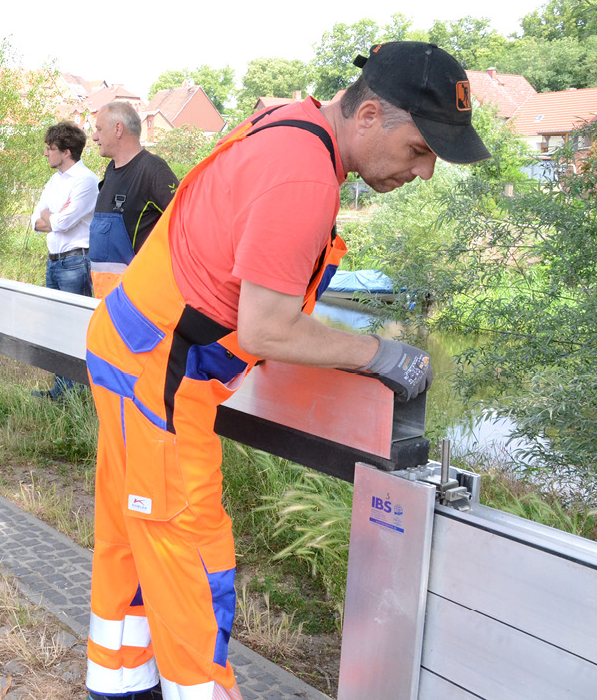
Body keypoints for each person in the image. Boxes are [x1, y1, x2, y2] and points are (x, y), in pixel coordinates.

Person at [83, 42, 489, 700]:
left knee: (135, 540)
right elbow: (265, 327)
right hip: (160, 374)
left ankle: (124, 687)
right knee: (191, 556)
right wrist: (380, 354)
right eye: (420, 150)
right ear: (369, 117)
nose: (424, 173)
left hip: (132, 350)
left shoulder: (287, 123)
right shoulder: (303, 176)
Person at [31, 121, 98, 401]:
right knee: (57, 326)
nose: (46, 154)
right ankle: (62, 390)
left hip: (75, 263)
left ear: (67, 152)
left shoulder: (86, 181)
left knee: (75, 327)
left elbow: (63, 221)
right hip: (54, 261)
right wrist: (49, 220)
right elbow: (35, 219)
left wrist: (51, 219)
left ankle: (77, 394)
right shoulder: (54, 180)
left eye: (51, 149)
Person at [88, 101, 180, 298]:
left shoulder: (154, 171)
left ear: (118, 129)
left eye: (99, 129)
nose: (95, 137)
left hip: (137, 300)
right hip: (105, 297)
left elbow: (185, 226)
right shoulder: (111, 171)